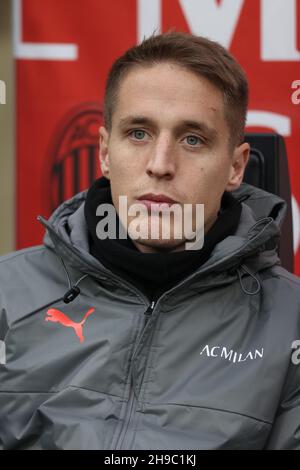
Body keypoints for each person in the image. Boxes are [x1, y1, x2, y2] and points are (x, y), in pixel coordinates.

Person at [0, 31, 300, 450]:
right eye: (138, 133)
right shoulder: (7, 296)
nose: (160, 165)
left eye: (192, 139)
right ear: (105, 152)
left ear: (235, 167)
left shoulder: (291, 323)